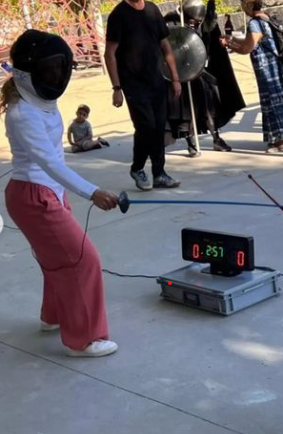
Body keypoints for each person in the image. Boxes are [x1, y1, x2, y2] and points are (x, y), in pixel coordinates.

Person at [0, 30, 119, 357]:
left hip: (45, 193)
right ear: (27, 74)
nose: (55, 75)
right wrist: (92, 191)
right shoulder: (22, 113)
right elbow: (50, 162)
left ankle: (53, 316)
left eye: (58, 67)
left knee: (57, 260)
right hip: (33, 195)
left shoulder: (37, 101)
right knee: (82, 259)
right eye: (48, 69)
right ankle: (84, 340)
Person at [104, 0, 182, 191]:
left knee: (158, 128)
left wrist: (175, 77)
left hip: (156, 80)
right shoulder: (119, 15)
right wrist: (116, 88)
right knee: (146, 126)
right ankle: (137, 168)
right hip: (133, 84)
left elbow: (165, 44)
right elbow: (110, 53)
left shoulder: (152, 10)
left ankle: (159, 174)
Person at [220, 0, 283, 153]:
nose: (243, 7)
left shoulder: (254, 23)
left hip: (269, 70)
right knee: (279, 102)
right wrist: (231, 39)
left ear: (250, 5)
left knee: (274, 103)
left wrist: (228, 45)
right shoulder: (267, 18)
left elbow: (247, 48)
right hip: (279, 67)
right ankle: (277, 139)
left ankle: (281, 142)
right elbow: (251, 41)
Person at [164, 1, 245, 156]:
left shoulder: (204, 22)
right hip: (180, 73)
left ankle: (216, 138)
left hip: (200, 71)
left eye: (198, 21)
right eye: (193, 21)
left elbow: (207, 43)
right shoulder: (171, 21)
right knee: (185, 111)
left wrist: (209, 29)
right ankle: (191, 142)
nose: (195, 24)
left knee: (210, 105)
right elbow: (168, 46)